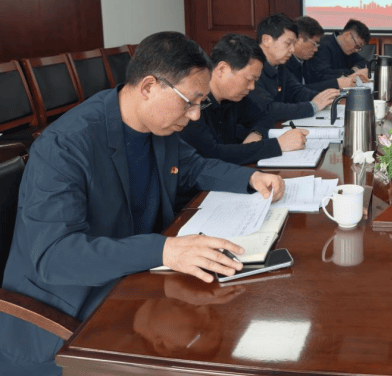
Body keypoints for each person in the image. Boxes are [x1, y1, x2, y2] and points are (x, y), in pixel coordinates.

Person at [0, 31, 285, 375]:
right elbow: (55, 256)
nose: (196, 116)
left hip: (133, 281)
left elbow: (194, 166)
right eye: (190, 102)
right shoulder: (64, 146)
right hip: (67, 313)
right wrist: (163, 250)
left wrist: (250, 179)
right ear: (149, 87)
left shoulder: (156, 126)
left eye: (202, 103)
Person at [179, 34, 308, 165]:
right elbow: (213, 154)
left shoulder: (235, 97)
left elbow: (264, 117)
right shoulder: (193, 104)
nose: (252, 87)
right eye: (249, 79)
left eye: (255, 81)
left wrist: (256, 134)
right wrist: (277, 145)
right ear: (222, 69)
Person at [251, 14, 339, 122]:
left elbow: (297, 91)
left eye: (293, 44)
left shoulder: (280, 66)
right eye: (288, 43)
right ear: (266, 40)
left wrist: (327, 98)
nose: (292, 50)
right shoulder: (250, 66)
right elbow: (268, 109)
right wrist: (312, 106)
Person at [286, 16, 356, 92]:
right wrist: (336, 83)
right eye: (314, 44)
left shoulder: (305, 60)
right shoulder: (285, 62)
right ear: (299, 38)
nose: (316, 49)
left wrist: (346, 76)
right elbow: (295, 92)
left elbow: (320, 77)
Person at [305, 18, 370, 85]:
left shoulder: (348, 51)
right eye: (357, 46)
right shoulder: (323, 46)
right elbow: (324, 74)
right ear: (347, 35)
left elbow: (364, 62)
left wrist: (356, 69)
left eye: (359, 48)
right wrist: (352, 72)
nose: (356, 50)